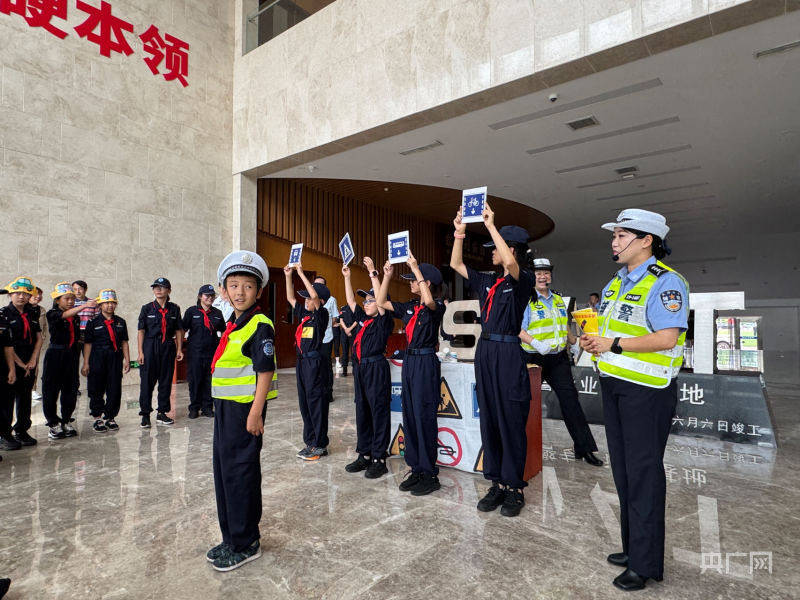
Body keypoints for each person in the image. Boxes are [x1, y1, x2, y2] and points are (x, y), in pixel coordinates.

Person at [580, 209, 688, 591]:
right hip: (616, 386)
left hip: (647, 392)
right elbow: (611, 331)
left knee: (643, 475)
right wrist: (594, 340)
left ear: (647, 241)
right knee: (624, 473)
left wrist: (614, 344)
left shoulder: (667, 282)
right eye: (614, 235)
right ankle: (632, 547)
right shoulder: (616, 282)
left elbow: (667, 338)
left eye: (622, 235)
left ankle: (644, 565)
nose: (614, 241)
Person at [450, 204, 534, 518]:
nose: (490, 254)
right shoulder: (488, 281)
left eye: (494, 249)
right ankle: (497, 482)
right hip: (485, 352)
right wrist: (459, 231)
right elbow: (455, 263)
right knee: (491, 419)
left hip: (509, 352)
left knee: (511, 419)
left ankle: (515, 487)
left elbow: (510, 261)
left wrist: (490, 226)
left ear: (508, 248)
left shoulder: (521, 279)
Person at [207, 250, 276, 572]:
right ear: (223, 290)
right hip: (225, 411)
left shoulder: (260, 325)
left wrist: (255, 413)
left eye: (247, 286)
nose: (239, 292)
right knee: (225, 474)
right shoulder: (235, 323)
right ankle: (231, 536)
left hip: (245, 412)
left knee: (241, 475)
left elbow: (265, 371)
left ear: (258, 292)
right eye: (233, 285)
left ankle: (246, 541)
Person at [519, 258, 603, 467]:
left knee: (571, 401)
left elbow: (562, 325)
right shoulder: (524, 299)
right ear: (531, 275)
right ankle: (520, 450)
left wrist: (573, 342)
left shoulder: (557, 299)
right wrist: (536, 343)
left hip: (557, 358)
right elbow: (516, 328)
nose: (542, 276)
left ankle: (584, 449)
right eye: (538, 272)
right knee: (525, 405)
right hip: (532, 359)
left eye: (546, 272)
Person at [375, 252, 446, 496]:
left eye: (415, 280)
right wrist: (386, 276)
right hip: (410, 361)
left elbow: (429, 302)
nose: (410, 283)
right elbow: (381, 301)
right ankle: (416, 468)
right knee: (411, 417)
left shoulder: (436, 306)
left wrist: (416, 267)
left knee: (425, 417)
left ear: (426, 283)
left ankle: (429, 473)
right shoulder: (409, 307)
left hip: (426, 361)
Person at [341, 257, 394, 479]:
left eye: (371, 300)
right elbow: (352, 301)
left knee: (378, 411)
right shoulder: (363, 320)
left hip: (376, 368)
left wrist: (374, 272)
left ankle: (379, 457)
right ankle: (364, 453)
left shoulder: (384, 320)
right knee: (362, 410)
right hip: (361, 369)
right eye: (367, 301)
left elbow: (380, 301)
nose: (367, 303)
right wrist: (347, 277)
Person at [285, 264, 330, 461]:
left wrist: (301, 272)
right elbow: (290, 298)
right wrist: (288, 276)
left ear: (319, 301)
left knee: (316, 403)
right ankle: (310, 442)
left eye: (309, 298)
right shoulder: (305, 315)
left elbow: (314, 297)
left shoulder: (322, 315)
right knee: (305, 403)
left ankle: (319, 445)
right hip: (302, 363)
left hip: (314, 363)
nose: (305, 300)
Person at [0, 277, 43, 449]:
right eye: (17, 293)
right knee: (6, 400)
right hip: (9, 361)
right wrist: (19, 364)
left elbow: (39, 338)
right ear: (10, 294)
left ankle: (22, 430)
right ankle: (4, 434)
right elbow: (6, 344)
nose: (21, 297)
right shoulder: (3, 313)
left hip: (29, 361)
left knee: (25, 397)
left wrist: (32, 360)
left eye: (25, 294)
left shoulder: (32, 313)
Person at [136, 277, 183, 428]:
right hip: (150, 346)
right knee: (147, 383)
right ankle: (145, 414)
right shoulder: (147, 308)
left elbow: (178, 330)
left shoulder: (174, 309)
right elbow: (141, 331)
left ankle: (162, 412)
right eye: (155, 287)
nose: (158, 289)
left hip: (168, 346)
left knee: (165, 381)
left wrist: (179, 348)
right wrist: (141, 352)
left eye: (162, 287)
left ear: (169, 290)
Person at [82, 289, 130, 432]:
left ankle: (110, 417)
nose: (110, 305)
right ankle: (97, 418)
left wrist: (127, 360)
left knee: (114, 388)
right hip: (97, 358)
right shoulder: (92, 322)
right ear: (100, 305)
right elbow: (88, 344)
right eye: (106, 303)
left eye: (112, 303)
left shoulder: (121, 322)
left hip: (115, 358)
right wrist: (86, 363)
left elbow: (124, 342)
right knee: (96, 388)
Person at [41, 282, 85, 440]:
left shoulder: (76, 318)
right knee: (50, 390)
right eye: (67, 299)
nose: (71, 301)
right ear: (58, 300)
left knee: (71, 389)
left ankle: (66, 420)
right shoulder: (52, 313)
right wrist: (84, 306)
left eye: (73, 299)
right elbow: (63, 316)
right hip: (55, 354)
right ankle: (53, 423)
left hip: (71, 355)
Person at [182, 285, 226, 419]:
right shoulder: (191, 312)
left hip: (212, 353)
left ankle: (207, 407)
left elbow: (223, 331)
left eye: (212, 295)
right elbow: (182, 330)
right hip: (195, 353)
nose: (210, 298)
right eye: (207, 295)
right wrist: (179, 348)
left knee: (209, 381)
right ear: (200, 296)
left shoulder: (217, 313)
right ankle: (194, 407)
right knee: (195, 381)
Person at [313, 275, 339, 402]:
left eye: (321, 285)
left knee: (326, 365)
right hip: (313, 339)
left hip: (326, 337)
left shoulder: (331, 300)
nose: (317, 287)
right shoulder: (309, 298)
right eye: (315, 284)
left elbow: (334, 318)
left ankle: (328, 392)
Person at [73, 280, 99, 397]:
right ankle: (74, 388)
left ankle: (92, 386)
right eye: (75, 289)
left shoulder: (92, 302)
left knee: (90, 362)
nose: (77, 291)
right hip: (74, 335)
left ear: (85, 289)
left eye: (80, 289)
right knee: (73, 362)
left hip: (89, 335)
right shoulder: (70, 302)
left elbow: (97, 318)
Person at [0, 294, 18, 454]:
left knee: (5, 405)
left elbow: (8, 346)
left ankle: (5, 434)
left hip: (1, 369)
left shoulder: (2, 318)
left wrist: (12, 369)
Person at [29, 288, 45, 401]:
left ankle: (32, 390)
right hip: (23, 342)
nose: (37, 296)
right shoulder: (23, 308)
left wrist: (42, 338)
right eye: (35, 294)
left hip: (36, 343)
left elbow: (44, 327)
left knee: (34, 366)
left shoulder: (41, 310)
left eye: (39, 294)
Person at [337, 301, 358, 376]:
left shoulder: (356, 308)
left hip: (354, 331)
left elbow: (357, 320)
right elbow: (341, 320)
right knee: (344, 351)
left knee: (354, 351)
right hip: (344, 331)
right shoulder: (343, 308)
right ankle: (344, 370)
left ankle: (354, 370)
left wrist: (350, 329)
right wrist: (346, 329)